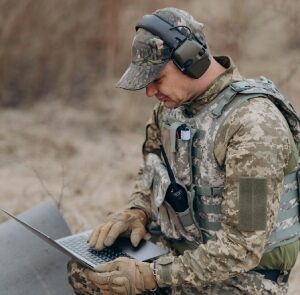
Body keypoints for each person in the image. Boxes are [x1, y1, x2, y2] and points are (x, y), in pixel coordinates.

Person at [67, 7, 300, 295]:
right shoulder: (170, 113)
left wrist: (150, 277)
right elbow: (153, 171)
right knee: (87, 272)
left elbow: (242, 248)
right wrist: (138, 210)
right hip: (179, 256)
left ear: (191, 60)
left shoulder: (253, 125)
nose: (150, 92)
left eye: (157, 78)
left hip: (244, 279)